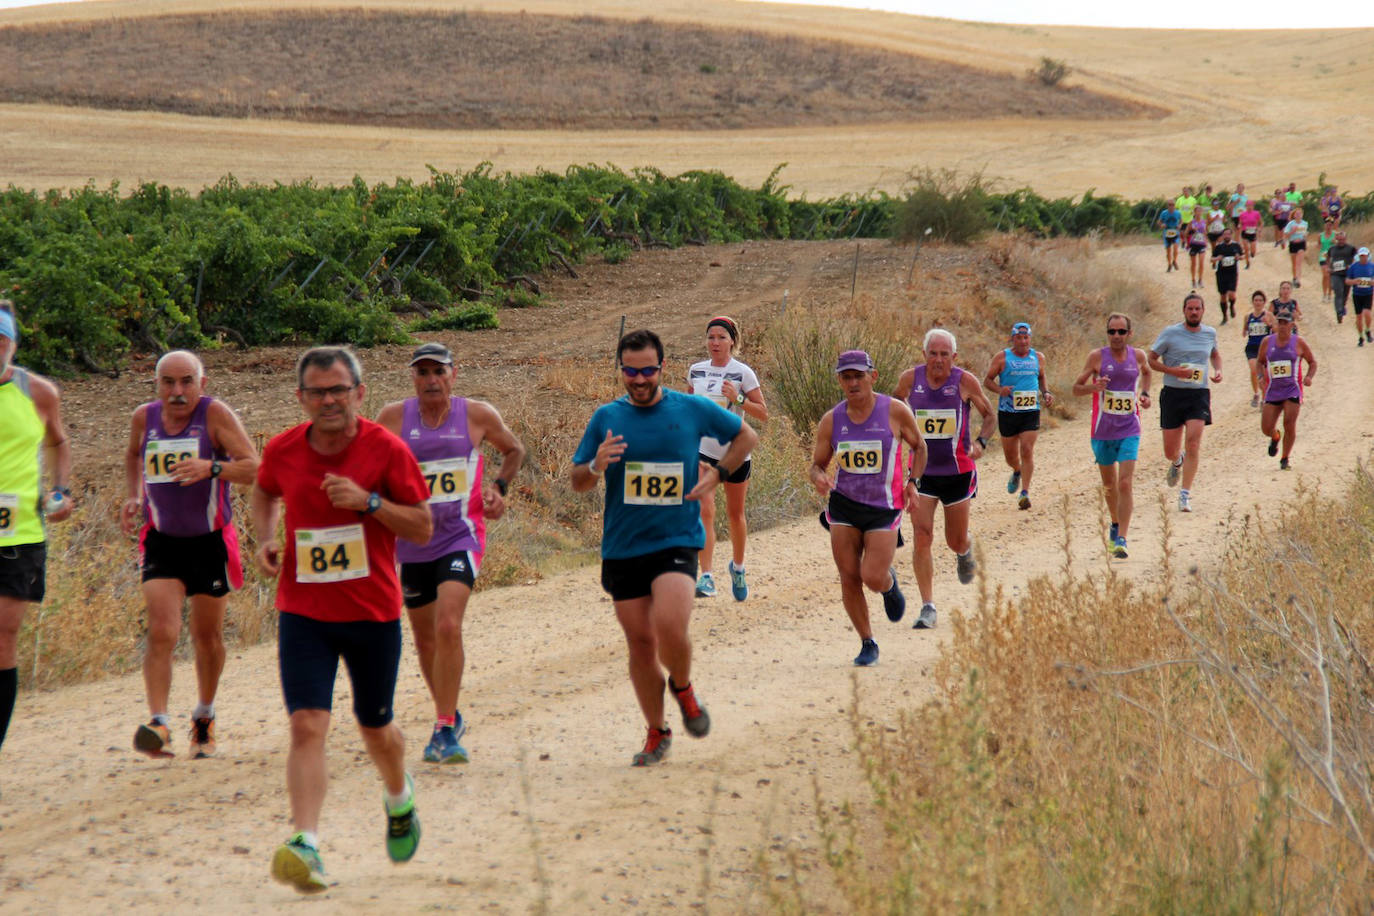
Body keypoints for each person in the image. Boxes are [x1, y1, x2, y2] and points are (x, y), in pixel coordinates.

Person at [253, 346, 432, 893]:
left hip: (370, 612)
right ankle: (305, 841)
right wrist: (264, 535)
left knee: (375, 728)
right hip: (304, 611)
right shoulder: (284, 448)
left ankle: (399, 799)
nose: (328, 400)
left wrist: (368, 503)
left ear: (359, 392)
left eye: (338, 389)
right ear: (301, 398)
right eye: (317, 391)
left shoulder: (387, 450)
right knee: (307, 724)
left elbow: (422, 527)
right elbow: (263, 489)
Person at [570, 329, 757, 766]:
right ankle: (657, 730)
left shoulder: (690, 408)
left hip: (676, 541)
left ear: (662, 368)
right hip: (623, 546)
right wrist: (595, 466)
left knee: (671, 627)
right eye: (631, 371)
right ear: (621, 370)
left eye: (647, 370)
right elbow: (578, 481)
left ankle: (685, 687)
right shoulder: (605, 417)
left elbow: (745, 436)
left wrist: (720, 473)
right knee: (639, 644)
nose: (639, 379)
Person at [376, 342, 525, 765]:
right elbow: (367, 459)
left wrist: (498, 488)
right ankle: (449, 710)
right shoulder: (392, 417)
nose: (431, 380)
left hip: (461, 536)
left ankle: (443, 727)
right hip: (410, 542)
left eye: (438, 371)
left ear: (453, 375)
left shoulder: (476, 414)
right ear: (413, 379)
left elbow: (513, 449)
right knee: (424, 639)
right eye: (422, 373)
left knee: (447, 626)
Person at [120, 350, 259, 759]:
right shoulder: (143, 418)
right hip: (162, 538)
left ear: (202, 383)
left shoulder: (215, 416)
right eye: (168, 382)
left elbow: (254, 467)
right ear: (156, 384)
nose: (177, 392)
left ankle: (204, 713)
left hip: (210, 541)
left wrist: (212, 468)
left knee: (207, 636)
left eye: (186, 382)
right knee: (162, 631)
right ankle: (159, 723)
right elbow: (132, 455)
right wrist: (133, 495)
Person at [809, 350, 925, 660]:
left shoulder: (895, 411)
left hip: (883, 506)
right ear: (839, 381)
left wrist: (913, 483)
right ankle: (867, 642)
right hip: (844, 505)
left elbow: (920, 448)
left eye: (859, 375)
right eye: (846, 377)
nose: (853, 382)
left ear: (872, 377)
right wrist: (819, 477)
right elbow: (817, 465)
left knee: (871, 575)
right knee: (849, 576)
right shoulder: (832, 420)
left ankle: (887, 586)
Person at [0, 301, 73, 760]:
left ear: (13, 344)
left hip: (19, 535)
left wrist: (61, 490)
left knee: (2, 636)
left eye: (0, 341)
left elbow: (58, 442)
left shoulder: (39, 392)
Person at [894, 329, 996, 628]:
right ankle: (928, 606)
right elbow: (893, 411)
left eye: (944, 354)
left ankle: (965, 550)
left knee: (955, 539)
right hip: (922, 472)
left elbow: (990, 416)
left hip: (958, 472)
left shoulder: (965, 382)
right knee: (922, 536)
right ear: (924, 355)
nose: (938, 360)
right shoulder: (909, 381)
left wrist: (980, 443)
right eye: (933, 354)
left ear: (954, 357)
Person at [686, 316, 767, 601]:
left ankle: (738, 567)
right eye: (711, 337)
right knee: (704, 510)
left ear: (732, 340)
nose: (715, 343)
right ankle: (706, 576)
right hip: (702, 453)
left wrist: (740, 398)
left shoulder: (743, 373)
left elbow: (763, 413)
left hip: (735, 454)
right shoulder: (696, 371)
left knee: (735, 515)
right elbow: (689, 410)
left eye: (721, 337)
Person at [1071, 313, 1152, 558]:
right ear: (1107, 334)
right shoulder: (1096, 357)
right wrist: (1094, 388)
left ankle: (1123, 539)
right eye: (1112, 332)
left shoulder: (1137, 356)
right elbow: (1075, 389)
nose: (1116, 336)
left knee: (1125, 483)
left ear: (1129, 333)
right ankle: (1115, 524)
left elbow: (1147, 372)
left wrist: (1145, 394)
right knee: (1109, 485)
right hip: (1102, 431)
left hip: (1130, 428)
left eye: (1121, 331)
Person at [1148, 293, 1222, 513]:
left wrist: (1218, 370)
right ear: (1184, 310)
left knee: (1193, 444)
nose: (1194, 312)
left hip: (1198, 394)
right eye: (1190, 308)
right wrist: (1172, 371)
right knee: (1170, 450)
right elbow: (1150, 359)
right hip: (1172, 393)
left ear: (1203, 310)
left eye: (1197, 308)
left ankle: (1185, 494)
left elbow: (1215, 355)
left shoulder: (1210, 333)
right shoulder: (1170, 333)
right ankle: (1177, 460)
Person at [981, 321, 1051, 510]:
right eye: (1018, 338)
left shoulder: (1038, 357)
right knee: (1010, 457)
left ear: (1030, 338)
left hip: (1030, 411)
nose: (1022, 341)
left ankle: (1025, 493)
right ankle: (1017, 470)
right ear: (1013, 338)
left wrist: (1046, 393)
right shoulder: (1002, 357)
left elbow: (1042, 376)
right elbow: (987, 380)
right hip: (1008, 412)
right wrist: (999, 389)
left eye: (1026, 337)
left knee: (1027, 449)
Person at [1256, 314, 1317, 470]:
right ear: (1276, 324)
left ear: (1292, 325)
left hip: (1292, 389)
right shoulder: (1267, 342)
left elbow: (1312, 362)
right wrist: (1260, 376)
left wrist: (1309, 377)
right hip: (1273, 390)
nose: (1282, 326)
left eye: (1285, 323)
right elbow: (1260, 362)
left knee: (1289, 423)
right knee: (1265, 428)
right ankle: (1275, 437)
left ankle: (1285, 458)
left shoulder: (1299, 342)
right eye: (1280, 322)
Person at [1242, 291, 1273, 408]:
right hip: (1252, 347)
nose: (1258, 302)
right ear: (1253, 302)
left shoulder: (1269, 315)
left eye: (1260, 300)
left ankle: (1264, 398)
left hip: (1265, 347)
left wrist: (1268, 324)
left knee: (1265, 374)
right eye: (1256, 300)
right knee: (1254, 370)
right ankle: (1256, 393)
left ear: (1264, 302)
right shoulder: (1248, 316)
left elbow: (1276, 330)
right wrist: (1245, 330)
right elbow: (1244, 331)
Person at [1210, 227, 1245, 322]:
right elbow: (1211, 259)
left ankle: (1232, 306)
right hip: (1221, 274)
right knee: (1222, 296)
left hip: (1232, 273)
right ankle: (1224, 316)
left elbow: (1242, 256)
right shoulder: (1219, 247)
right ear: (1222, 236)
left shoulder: (1236, 245)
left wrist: (1239, 257)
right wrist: (1217, 258)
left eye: (1228, 234)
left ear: (1231, 235)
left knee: (1232, 294)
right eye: (1225, 234)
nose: (1227, 236)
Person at [1327, 230, 1358, 323]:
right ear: (1336, 239)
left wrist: (1352, 265)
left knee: (1345, 293)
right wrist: (1328, 267)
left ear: (1346, 239)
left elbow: (1357, 258)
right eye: (1339, 239)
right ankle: (1339, 312)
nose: (1341, 241)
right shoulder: (1332, 249)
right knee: (1338, 291)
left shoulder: (1351, 248)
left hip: (1347, 274)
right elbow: (1327, 258)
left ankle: (1342, 306)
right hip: (1335, 274)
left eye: (1343, 239)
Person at [1347, 247, 1374, 347]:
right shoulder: (1353, 267)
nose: (1363, 258)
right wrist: (1354, 281)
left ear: (1368, 256)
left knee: (1367, 313)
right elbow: (1347, 280)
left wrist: (1371, 283)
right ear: (1358, 256)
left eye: (1365, 256)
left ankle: (1367, 330)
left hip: (1368, 293)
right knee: (1358, 316)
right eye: (1361, 256)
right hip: (1357, 294)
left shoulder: (1372, 266)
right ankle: (1361, 337)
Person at [1281, 205, 1309, 288]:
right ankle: (1294, 278)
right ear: (1294, 215)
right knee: (1294, 263)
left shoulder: (1305, 223)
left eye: (1300, 214)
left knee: (1298, 263)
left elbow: (1305, 234)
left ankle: (1298, 280)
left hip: (1301, 244)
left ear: (1302, 215)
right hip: (1293, 244)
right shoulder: (1290, 224)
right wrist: (1292, 231)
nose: (1298, 215)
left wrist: (1306, 236)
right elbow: (1286, 235)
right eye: (1297, 214)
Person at [1186, 208, 1210, 287]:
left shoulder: (1204, 222)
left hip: (1202, 244)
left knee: (1201, 262)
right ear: (1194, 212)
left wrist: (1206, 241)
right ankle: (1193, 280)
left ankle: (1200, 280)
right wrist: (1192, 231)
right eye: (1197, 211)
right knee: (1193, 263)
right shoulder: (1191, 222)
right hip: (1193, 244)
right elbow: (1186, 233)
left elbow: (1205, 232)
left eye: (1200, 211)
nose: (1199, 213)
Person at [1157, 201, 1182, 272]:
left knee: (1175, 248)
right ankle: (1169, 264)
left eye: (1173, 205)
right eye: (1169, 205)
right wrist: (1161, 225)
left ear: (1175, 206)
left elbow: (1181, 221)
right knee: (1168, 251)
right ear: (1167, 206)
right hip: (1167, 233)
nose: (1171, 206)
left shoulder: (1178, 213)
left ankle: (1174, 261)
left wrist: (1180, 225)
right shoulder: (1164, 213)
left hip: (1175, 232)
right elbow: (1159, 221)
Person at [1238, 198, 1262, 262]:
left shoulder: (1256, 213)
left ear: (1253, 206)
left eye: (1251, 205)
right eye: (1248, 205)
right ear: (1246, 206)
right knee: (1246, 249)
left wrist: (1259, 230)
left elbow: (1261, 223)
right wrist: (1239, 226)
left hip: (1253, 232)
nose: (1249, 207)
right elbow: (1240, 223)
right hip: (1245, 232)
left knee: (1253, 251)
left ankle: (1252, 254)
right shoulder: (1242, 214)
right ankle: (1247, 263)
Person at [1317, 220, 1337, 302]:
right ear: (1324, 225)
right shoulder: (1320, 235)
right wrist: (1319, 246)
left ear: (1332, 226)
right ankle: (1324, 294)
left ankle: (1329, 295)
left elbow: (1340, 244)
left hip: (1333, 256)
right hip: (1323, 256)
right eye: (1327, 225)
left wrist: (1335, 242)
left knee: (1330, 276)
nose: (1328, 226)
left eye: (1330, 225)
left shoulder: (1335, 234)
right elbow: (1318, 246)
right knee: (1325, 275)